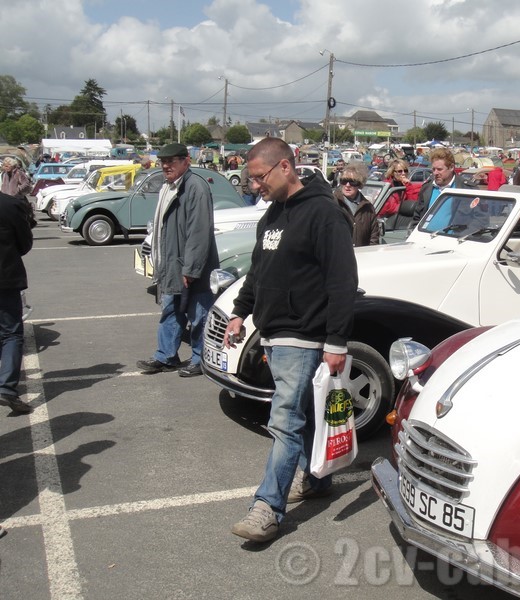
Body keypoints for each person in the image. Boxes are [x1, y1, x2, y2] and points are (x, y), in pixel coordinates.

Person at [225, 138, 357, 544]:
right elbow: (259, 271)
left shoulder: (324, 214)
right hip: (274, 335)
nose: (255, 186)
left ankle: (266, 508)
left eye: (259, 178)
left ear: (285, 167)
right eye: (251, 180)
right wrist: (239, 312)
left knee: (284, 421)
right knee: (302, 415)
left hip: (304, 337)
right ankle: (316, 481)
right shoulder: (273, 216)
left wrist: (337, 341)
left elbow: (342, 281)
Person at [136, 143, 219, 377]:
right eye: (163, 161)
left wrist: (191, 268)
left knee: (199, 314)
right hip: (172, 264)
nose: (165, 165)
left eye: (171, 161)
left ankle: (200, 358)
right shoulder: (169, 186)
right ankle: (166, 356)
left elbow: (199, 232)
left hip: (192, 267)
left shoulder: (195, 187)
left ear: (186, 161)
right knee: (170, 310)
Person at [0, 191, 34, 415]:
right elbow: (24, 243)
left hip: (7, 279)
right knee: (11, 334)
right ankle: (7, 388)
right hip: (6, 278)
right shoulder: (10, 205)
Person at [409, 147, 469, 229]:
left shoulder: (466, 189)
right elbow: (417, 217)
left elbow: (479, 219)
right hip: (425, 239)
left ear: (451, 167)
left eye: (439, 169)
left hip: (454, 240)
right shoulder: (427, 188)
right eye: (433, 169)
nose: (435, 173)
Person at [333, 162, 380, 246]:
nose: (347, 185)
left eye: (352, 182)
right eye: (344, 181)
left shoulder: (368, 208)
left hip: (362, 256)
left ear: (360, 184)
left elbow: (374, 238)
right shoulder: (331, 203)